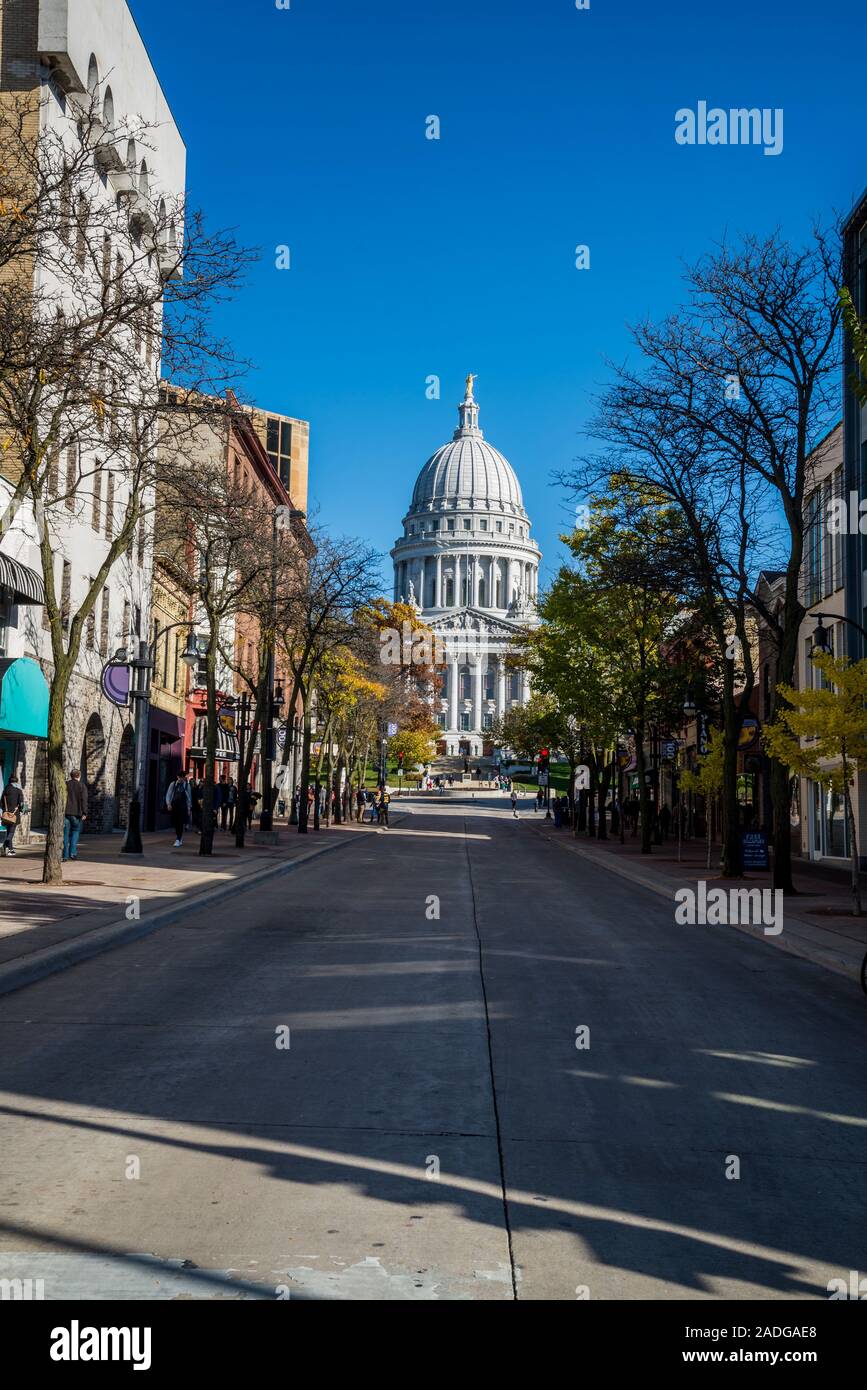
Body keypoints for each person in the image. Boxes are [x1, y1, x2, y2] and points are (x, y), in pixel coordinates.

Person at [63, 768, 88, 861]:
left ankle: (64, 855)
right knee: (75, 831)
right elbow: (84, 800)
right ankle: (73, 853)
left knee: (65, 834)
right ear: (79, 776)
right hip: (77, 814)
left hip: (66, 813)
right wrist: (84, 812)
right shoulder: (82, 786)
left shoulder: (66, 784)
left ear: (71, 775)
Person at [1, 773, 26, 857]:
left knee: (8, 831)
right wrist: (23, 809)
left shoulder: (6, 789)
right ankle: (4, 845)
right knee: (11, 832)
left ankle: (10, 850)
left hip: (6, 814)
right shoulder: (18, 790)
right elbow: (21, 803)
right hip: (14, 815)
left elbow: (1, 802)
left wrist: (5, 810)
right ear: (17, 781)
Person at [165, 770, 192, 848]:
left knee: (180, 823)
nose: (181, 779)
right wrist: (168, 804)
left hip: (182, 807)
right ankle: (179, 837)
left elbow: (189, 798)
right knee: (175, 823)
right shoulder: (173, 784)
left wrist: (189, 808)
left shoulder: (187, 786)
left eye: (182, 778)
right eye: (179, 777)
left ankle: (178, 839)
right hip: (174, 806)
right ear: (177, 777)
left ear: (184, 778)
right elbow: (169, 794)